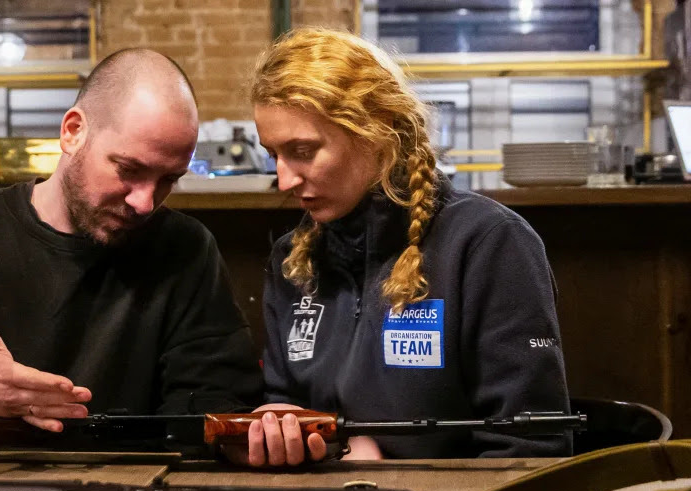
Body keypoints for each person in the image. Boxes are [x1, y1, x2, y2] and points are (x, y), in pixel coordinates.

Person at [0, 48, 263, 430]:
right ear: (73, 131)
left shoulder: (184, 249)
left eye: (169, 179)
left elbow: (218, 399)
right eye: (129, 170)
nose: (146, 202)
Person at [240, 28, 571, 466]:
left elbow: (533, 451)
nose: (284, 180)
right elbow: (286, 400)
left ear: (376, 131)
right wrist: (276, 424)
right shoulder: (292, 256)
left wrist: (391, 478)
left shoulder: (488, 243)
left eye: (303, 150)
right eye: (273, 155)